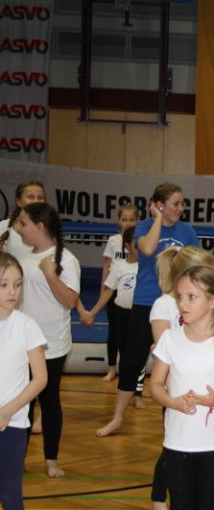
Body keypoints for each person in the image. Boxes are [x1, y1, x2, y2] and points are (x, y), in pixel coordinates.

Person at [97, 183, 198, 438]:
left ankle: (178, 419)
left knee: (178, 360)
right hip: (146, 300)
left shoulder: (187, 230)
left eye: (182, 203)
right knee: (132, 360)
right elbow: (149, 250)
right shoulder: (143, 227)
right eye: (176, 203)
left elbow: (196, 264)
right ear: (159, 205)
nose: (181, 208)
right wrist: (157, 219)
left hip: (178, 303)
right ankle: (118, 417)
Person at [150, 265, 214, 510]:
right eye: (179, 297)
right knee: (180, 504)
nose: (182, 303)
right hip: (177, 440)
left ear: (213, 300)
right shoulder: (170, 338)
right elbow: (155, 384)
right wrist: (172, 402)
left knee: (207, 503)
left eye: (192, 297)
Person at [17, 203, 81, 478]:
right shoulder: (23, 258)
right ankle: (17, 458)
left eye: (23, 223)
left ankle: (51, 459)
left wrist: (50, 274)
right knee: (22, 402)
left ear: (40, 227)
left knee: (48, 399)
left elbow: (70, 301)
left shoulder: (66, 259)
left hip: (50, 344)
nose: (19, 229)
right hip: (22, 343)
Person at [0, 252, 48, 509]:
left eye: (18, 284)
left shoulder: (27, 326)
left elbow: (40, 379)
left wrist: (8, 411)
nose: (13, 291)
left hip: (13, 423)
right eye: (4, 284)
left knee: (10, 492)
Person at [81, 227, 144, 409]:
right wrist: (92, 312)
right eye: (136, 244)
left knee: (138, 354)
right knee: (125, 354)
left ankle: (137, 394)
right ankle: (124, 390)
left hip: (139, 314)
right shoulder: (119, 266)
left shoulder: (148, 268)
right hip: (122, 313)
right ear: (128, 245)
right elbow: (108, 291)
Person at [88, 204, 138, 382]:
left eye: (132, 220)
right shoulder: (113, 240)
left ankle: (129, 370)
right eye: (124, 219)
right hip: (114, 287)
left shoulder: (139, 242)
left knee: (131, 333)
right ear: (118, 220)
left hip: (131, 289)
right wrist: (102, 288)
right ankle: (111, 368)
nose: (128, 223)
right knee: (114, 331)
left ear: (137, 221)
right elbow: (107, 266)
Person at [0, 180, 45, 259]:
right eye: (31, 197)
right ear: (18, 202)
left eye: (40, 198)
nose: (36, 201)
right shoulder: (3, 226)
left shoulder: (49, 230)